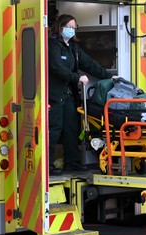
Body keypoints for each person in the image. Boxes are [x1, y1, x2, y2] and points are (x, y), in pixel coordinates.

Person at [48, 14, 116, 175]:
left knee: (71, 129)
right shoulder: (52, 46)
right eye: (69, 27)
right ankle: (48, 165)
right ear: (60, 27)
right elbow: (57, 68)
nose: (72, 30)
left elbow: (89, 64)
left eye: (74, 27)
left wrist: (109, 76)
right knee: (54, 129)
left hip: (69, 95)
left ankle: (72, 161)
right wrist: (76, 77)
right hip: (55, 95)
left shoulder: (73, 48)